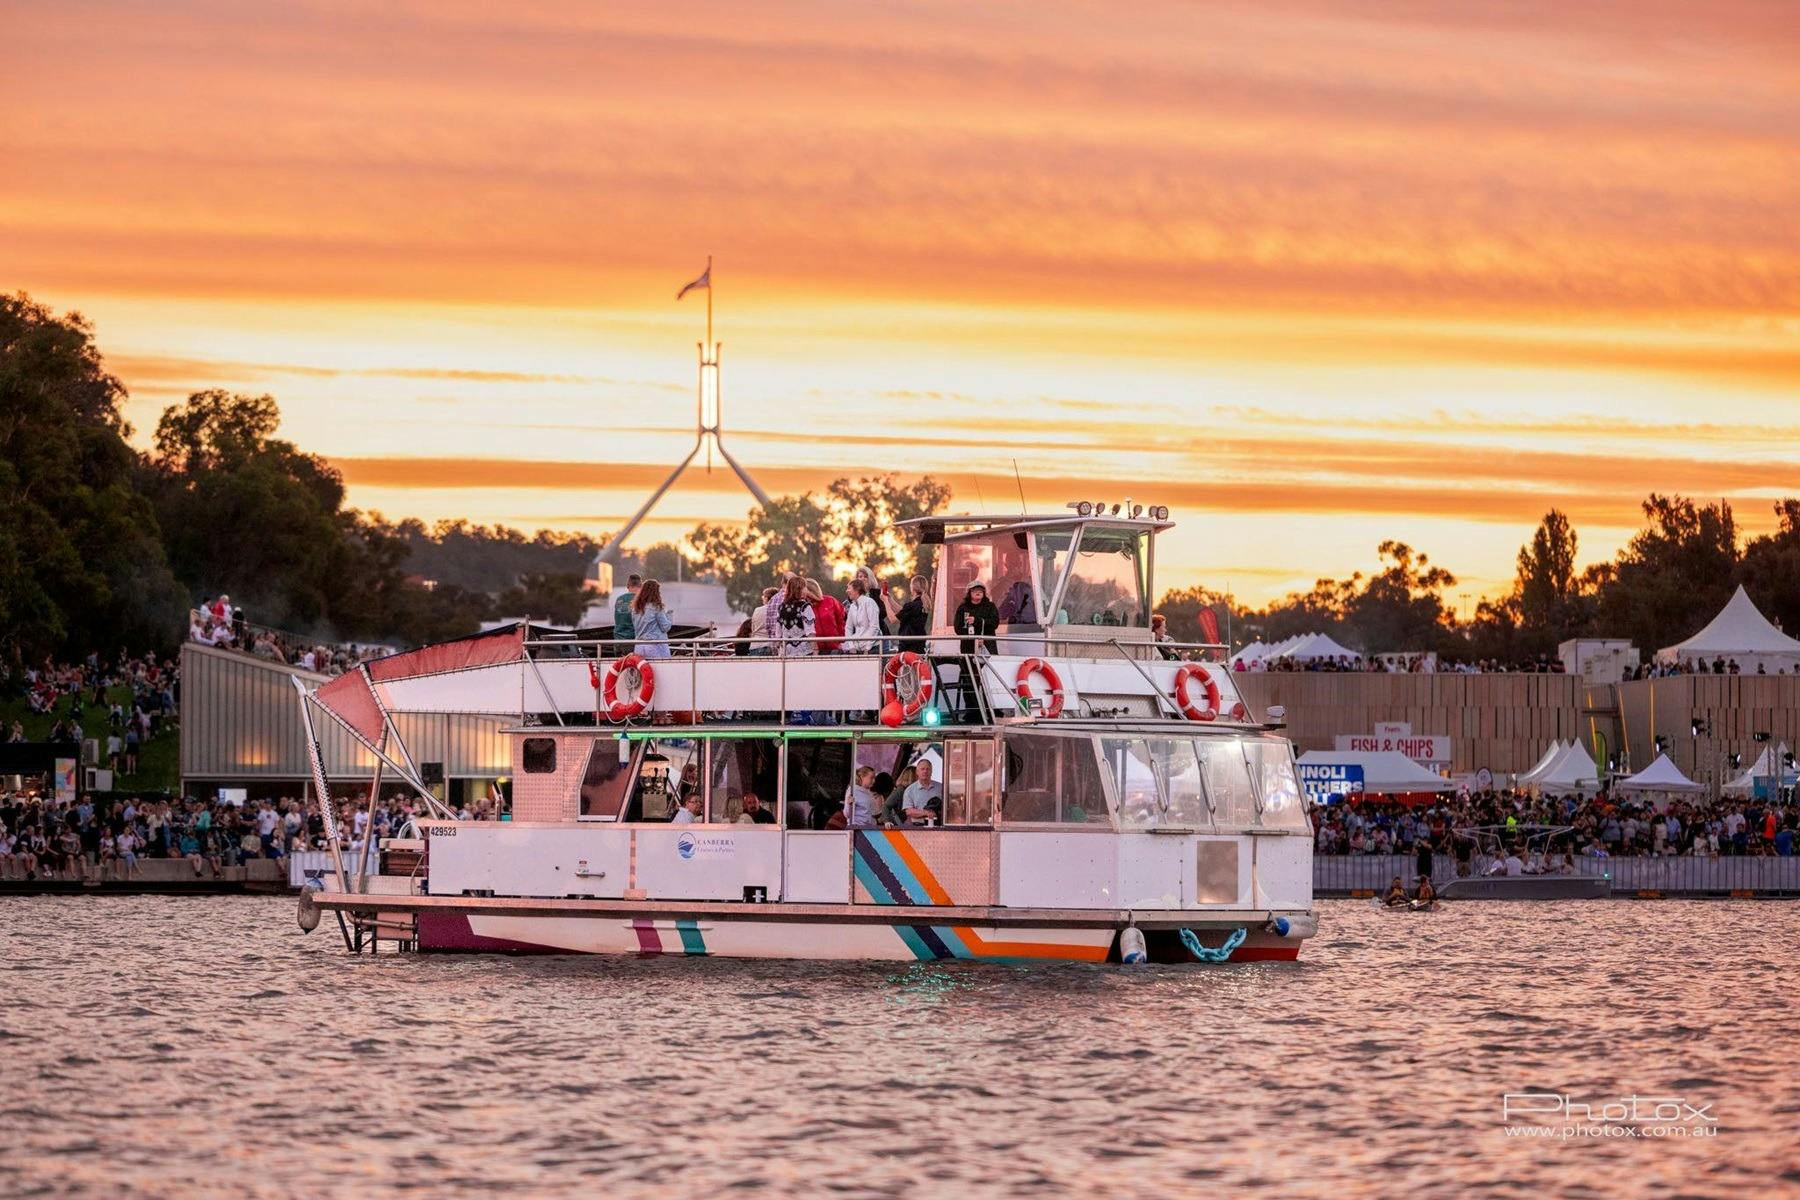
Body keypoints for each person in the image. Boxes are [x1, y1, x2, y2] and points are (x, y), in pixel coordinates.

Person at [954, 582, 1000, 656]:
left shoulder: (990, 606)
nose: (978, 592)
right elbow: (958, 628)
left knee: (988, 666)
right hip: (968, 648)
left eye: (981, 590)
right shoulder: (963, 608)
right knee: (968, 666)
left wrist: (976, 621)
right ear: (969, 593)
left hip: (988, 646)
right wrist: (973, 639)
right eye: (975, 590)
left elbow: (994, 623)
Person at [774, 577, 816, 657]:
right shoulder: (805, 607)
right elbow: (810, 632)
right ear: (799, 589)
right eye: (805, 587)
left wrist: (778, 649)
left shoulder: (781, 607)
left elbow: (778, 632)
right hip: (804, 652)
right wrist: (815, 650)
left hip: (786, 652)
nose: (806, 590)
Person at [633, 579, 673, 660]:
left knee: (642, 672)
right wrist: (669, 614)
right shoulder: (656, 607)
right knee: (662, 670)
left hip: (639, 646)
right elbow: (665, 627)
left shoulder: (635, 609)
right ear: (655, 592)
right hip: (655, 646)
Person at [805, 578, 845, 654]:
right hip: (816, 650)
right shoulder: (805, 606)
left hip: (835, 647)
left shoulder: (830, 601)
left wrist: (841, 641)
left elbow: (841, 621)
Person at [842, 578, 881, 654]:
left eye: (849, 588)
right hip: (857, 649)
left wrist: (867, 648)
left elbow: (874, 626)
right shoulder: (852, 606)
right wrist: (851, 646)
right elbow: (848, 627)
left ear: (857, 589)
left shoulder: (869, 602)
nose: (847, 591)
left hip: (872, 648)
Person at [900, 759, 944, 825]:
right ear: (917, 772)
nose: (925, 771)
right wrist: (926, 813)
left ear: (931, 771)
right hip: (918, 827)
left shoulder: (941, 787)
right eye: (922, 769)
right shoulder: (910, 790)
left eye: (928, 769)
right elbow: (909, 811)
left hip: (939, 827)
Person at [896, 575, 931, 650]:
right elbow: (902, 612)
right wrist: (889, 599)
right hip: (919, 645)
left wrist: (885, 601)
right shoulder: (923, 604)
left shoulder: (911, 605)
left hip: (907, 646)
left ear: (913, 588)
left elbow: (893, 619)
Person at [614, 574, 641, 642]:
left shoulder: (619, 599)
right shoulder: (641, 600)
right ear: (641, 586)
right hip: (634, 641)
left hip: (618, 640)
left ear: (628, 586)